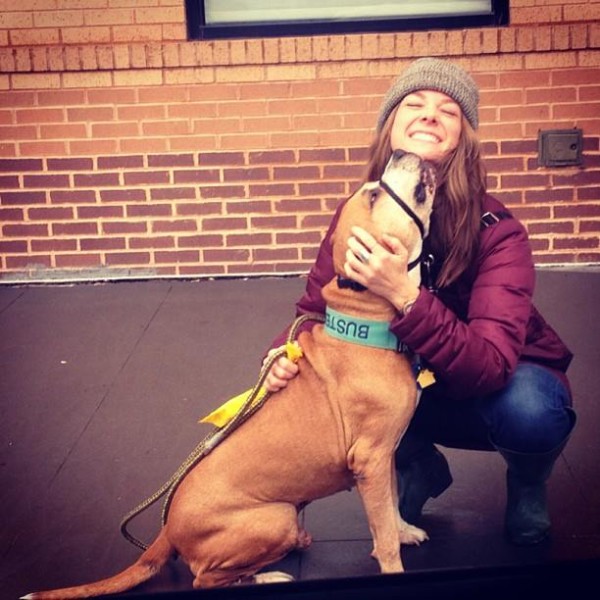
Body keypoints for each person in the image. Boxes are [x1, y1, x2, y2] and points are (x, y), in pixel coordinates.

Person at [263, 57, 575, 546]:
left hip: (484, 386)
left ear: (464, 140)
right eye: (414, 103)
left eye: (448, 110)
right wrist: (286, 352)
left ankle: (528, 481)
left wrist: (404, 295)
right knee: (339, 391)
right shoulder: (359, 211)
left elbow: (490, 367)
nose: (429, 114)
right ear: (391, 127)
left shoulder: (500, 233)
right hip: (404, 381)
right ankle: (419, 465)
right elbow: (315, 311)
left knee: (534, 411)